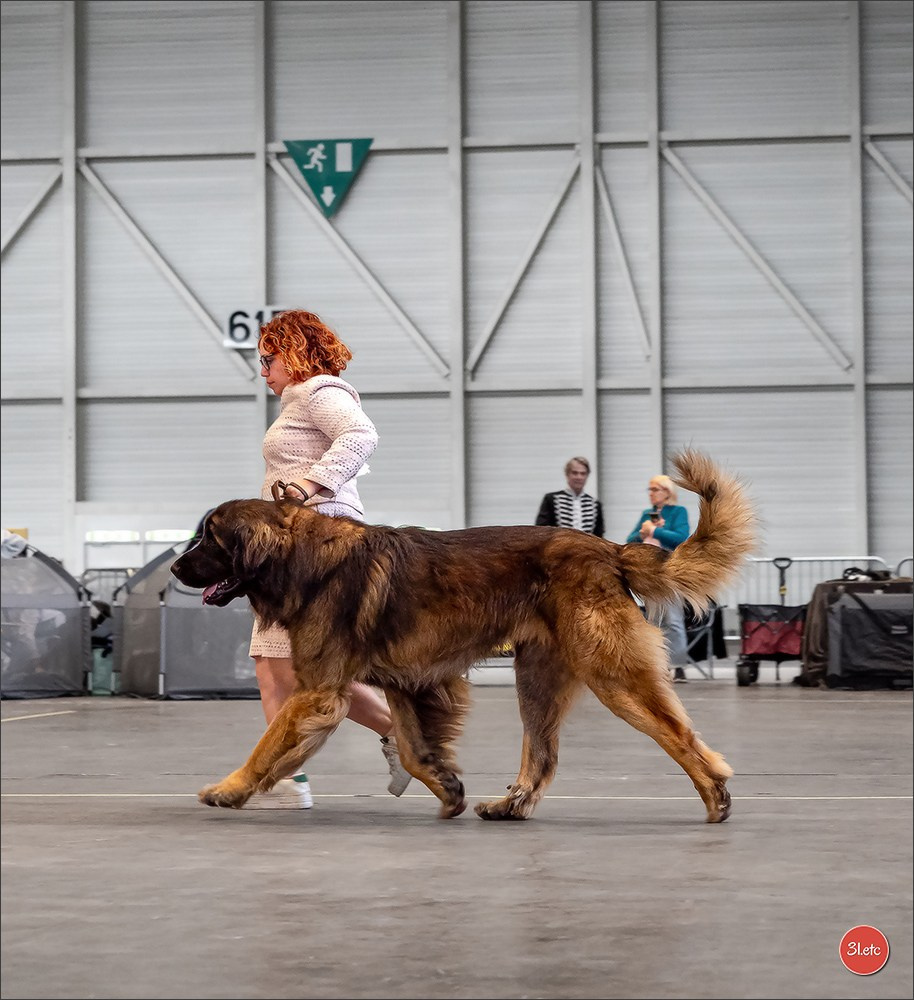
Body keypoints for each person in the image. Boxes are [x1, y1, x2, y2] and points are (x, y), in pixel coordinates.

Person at [244, 308, 411, 808]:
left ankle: (282, 779)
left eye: (267, 358)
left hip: (318, 543)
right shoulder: (299, 398)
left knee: (290, 664)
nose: (263, 371)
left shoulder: (321, 390)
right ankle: (397, 736)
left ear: (291, 353)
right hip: (292, 545)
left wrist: (309, 484)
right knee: (275, 662)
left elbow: (361, 436)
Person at [626, 474, 691, 682]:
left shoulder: (678, 512)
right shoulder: (648, 513)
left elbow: (681, 538)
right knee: (653, 620)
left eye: (655, 489)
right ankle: (655, 665)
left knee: (673, 620)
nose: (651, 494)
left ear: (667, 491)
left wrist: (656, 530)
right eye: (650, 490)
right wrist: (643, 533)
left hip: (670, 573)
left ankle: (678, 665)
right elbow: (630, 540)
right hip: (650, 573)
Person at [535, 457, 605, 536]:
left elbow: (600, 536)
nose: (579, 477)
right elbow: (541, 531)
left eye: (583, 473)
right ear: (567, 474)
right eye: (575, 473)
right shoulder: (551, 500)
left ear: (587, 476)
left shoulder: (595, 504)